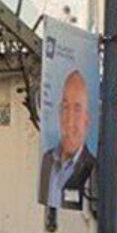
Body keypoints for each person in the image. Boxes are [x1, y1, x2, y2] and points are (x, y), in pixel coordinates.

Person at [38, 68, 98, 209]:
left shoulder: (92, 166)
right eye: (65, 107)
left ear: (87, 119)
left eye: (77, 109)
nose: (70, 120)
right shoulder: (47, 160)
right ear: (59, 113)